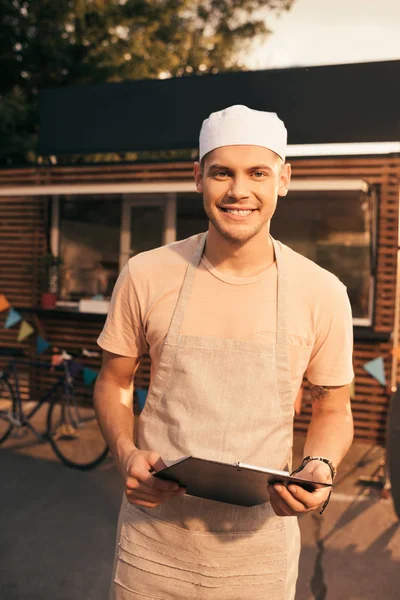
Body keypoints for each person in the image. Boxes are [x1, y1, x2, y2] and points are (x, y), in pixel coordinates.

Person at [94, 104, 354, 599]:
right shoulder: (146, 274)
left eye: (257, 172)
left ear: (283, 179)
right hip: (153, 542)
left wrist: (319, 465)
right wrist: (125, 454)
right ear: (198, 178)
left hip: (260, 553)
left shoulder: (321, 291)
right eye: (221, 173)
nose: (239, 191)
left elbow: (333, 407)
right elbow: (114, 381)